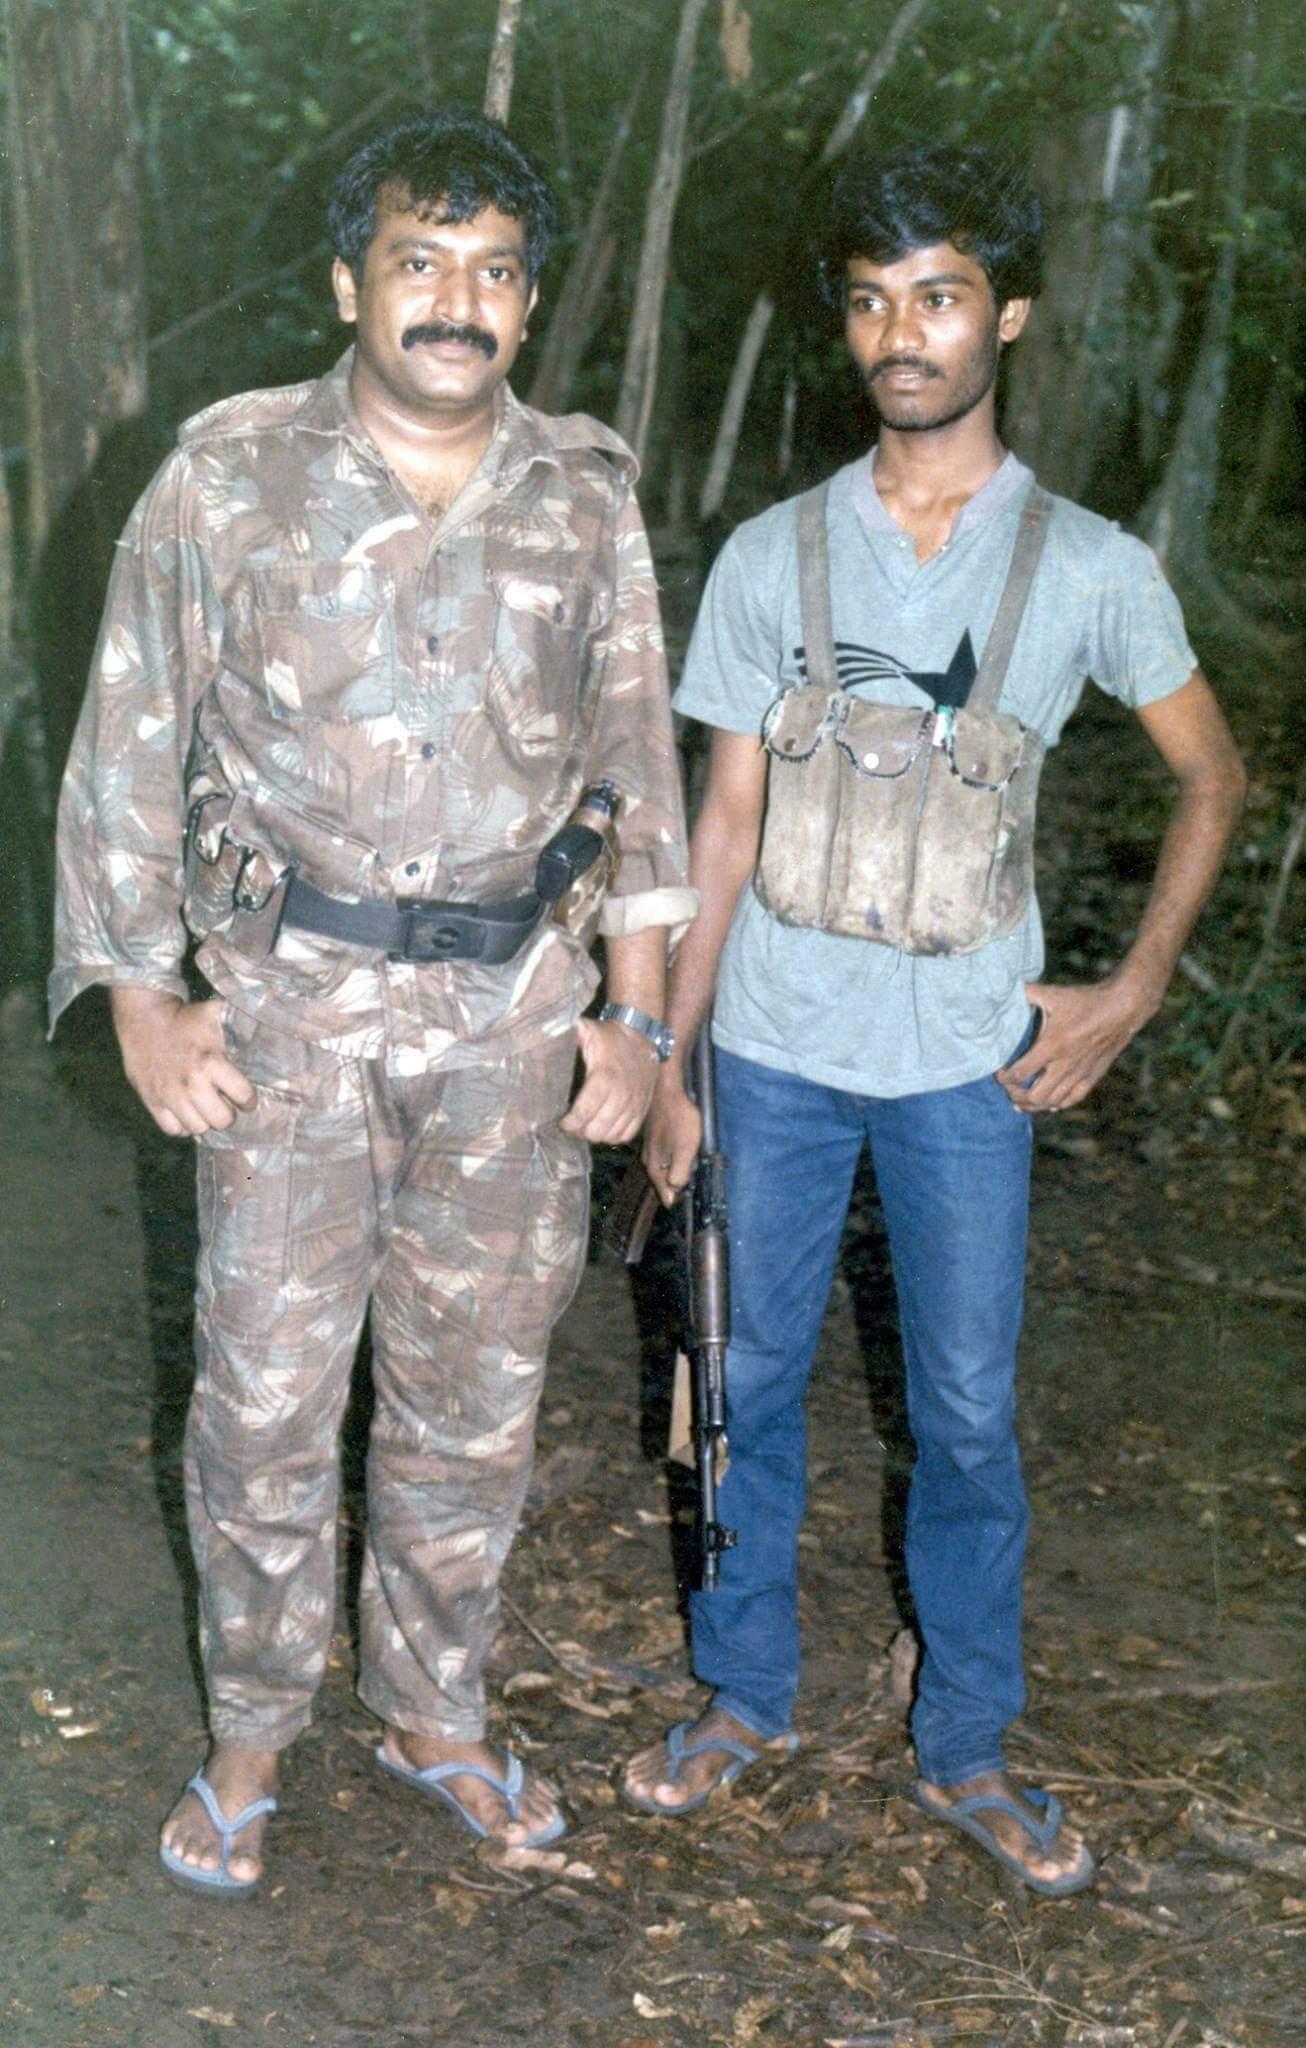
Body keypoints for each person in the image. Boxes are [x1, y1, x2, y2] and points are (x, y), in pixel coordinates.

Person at [51, 108, 694, 1897]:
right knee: (263, 1399)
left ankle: (432, 1712)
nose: (456, 302)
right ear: (351, 282)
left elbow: (636, 763)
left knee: (471, 1398)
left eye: (493, 271)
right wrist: (139, 998)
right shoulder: (224, 478)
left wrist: (639, 1024)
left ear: (528, 301)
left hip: (514, 1027)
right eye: (420, 262)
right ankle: (252, 1730)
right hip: (286, 1022)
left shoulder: (584, 495)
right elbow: (128, 743)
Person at [621, 142, 1245, 1895]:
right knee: (739, 1376)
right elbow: (722, 821)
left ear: (1007, 317)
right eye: (871, 301)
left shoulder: (1090, 567)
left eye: (940, 296)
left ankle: (965, 1737)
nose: (902, 334)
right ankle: (743, 1692)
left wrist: (1127, 990)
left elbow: (1211, 776)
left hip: (970, 1063)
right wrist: (670, 1058)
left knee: (964, 1411)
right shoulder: (772, 554)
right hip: (770, 1049)